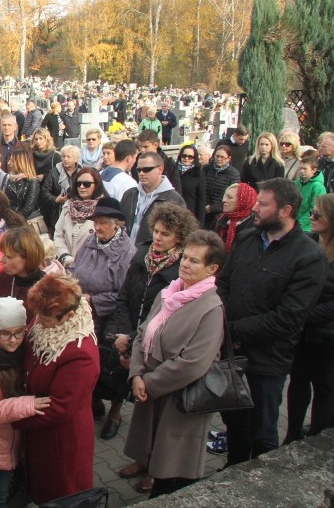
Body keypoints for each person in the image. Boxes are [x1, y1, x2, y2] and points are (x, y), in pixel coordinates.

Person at [217, 178, 327, 466]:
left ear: (285, 210)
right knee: (234, 423)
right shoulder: (248, 236)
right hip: (232, 352)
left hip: (268, 361)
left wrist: (234, 330)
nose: (254, 208)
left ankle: (262, 480)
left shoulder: (308, 256)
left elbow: (289, 318)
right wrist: (224, 326)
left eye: (263, 204)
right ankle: (233, 471)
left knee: (263, 429)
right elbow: (224, 283)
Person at [124, 230, 227, 498]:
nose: (185, 264)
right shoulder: (168, 294)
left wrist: (148, 382)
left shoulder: (211, 308)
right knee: (151, 448)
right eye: (185, 257)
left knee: (172, 470)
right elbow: (143, 333)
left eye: (194, 261)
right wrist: (136, 373)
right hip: (151, 389)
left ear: (211, 269)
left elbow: (192, 363)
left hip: (178, 399)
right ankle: (148, 471)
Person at [106, 203, 198, 492]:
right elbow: (124, 297)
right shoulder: (142, 256)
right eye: (156, 231)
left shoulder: (180, 271)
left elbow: (163, 316)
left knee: (161, 413)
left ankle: (157, 471)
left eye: (166, 234)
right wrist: (121, 333)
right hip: (132, 337)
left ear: (180, 238)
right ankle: (142, 459)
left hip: (158, 346)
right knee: (143, 412)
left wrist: (132, 338)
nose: (158, 238)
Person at [13, 274, 99, 503]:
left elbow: (59, 408)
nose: (37, 321)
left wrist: (11, 417)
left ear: (69, 315)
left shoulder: (80, 352)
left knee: (60, 494)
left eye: (44, 316)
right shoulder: (45, 322)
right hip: (37, 431)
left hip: (61, 441)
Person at [71, 197, 137, 439]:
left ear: (117, 225)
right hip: (87, 313)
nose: (97, 228)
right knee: (89, 361)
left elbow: (125, 292)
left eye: (102, 223)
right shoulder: (90, 242)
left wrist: (94, 300)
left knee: (111, 364)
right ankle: (95, 402)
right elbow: (76, 268)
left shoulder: (127, 252)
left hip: (112, 314)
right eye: (96, 222)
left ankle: (116, 412)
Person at [0, 297, 49, 508]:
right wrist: (25, 405)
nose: (13, 339)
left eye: (19, 332)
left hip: (9, 451)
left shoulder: (25, 356)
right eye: (4, 333)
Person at [285, 193, 334, 443]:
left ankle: (317, 436)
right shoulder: (309, 242)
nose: (312, 217)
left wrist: (305, 315)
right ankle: (292, 433)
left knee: (323, 385)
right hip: (302, 332)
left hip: (329, 336)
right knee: (297, 381)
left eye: (318, 213)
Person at [122, 152, 186, 246]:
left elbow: (180, 235)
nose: (142, 173)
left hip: (153, 256)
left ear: (160, 169)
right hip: (125, 254)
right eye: (138, 170)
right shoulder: (130, 194)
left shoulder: (174, 199)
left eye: (147, 169)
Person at [53, 167, 105, 269]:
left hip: (90, 268)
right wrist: (65, 257)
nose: (81, 187)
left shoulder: (103, 208)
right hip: (66, 267)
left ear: (96, 185)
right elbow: (58, 234)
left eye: (87, 184)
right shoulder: (68, 204)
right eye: (78, 183)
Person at [41, 144, 81, 231]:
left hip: (78, 213)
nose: (65, 159)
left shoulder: (82, 173)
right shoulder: (54, 172)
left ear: (76, 159)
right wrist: (55, 199)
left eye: (69, 157)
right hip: (57, 214)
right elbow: (44, 192)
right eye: (63, 156)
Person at [204, 144, 242, 229]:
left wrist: (212, 208)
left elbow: (233, 196)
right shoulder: (206, 169)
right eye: (217, 156)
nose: (219, 159)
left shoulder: (234, 174)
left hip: (220, 214)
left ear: (228, 158)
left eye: (222, 157)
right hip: (203, 211)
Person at [213, 182, 258, 254]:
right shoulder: (219, 219)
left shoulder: (255, 227)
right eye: (224, 196)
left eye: (229, 197)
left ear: (243, 201)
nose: (223, 200)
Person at [294, 153, 326, 233]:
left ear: (313, 170)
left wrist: (300, 223)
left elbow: (314, 209)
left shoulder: (317, 186)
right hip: (294, 223)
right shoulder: (295, 183)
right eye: (300, 168)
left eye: (305, 169)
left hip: (307, 227)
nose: (302, 171)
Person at [5, 147, 41, 220]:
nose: (8, 163)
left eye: (12, 161)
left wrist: (16, 220)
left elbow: (29, 207)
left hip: (23, 222)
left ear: (19, 162)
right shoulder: (10, 178)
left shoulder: (32, 181)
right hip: (10, 218)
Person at [176, 144, 206, 222]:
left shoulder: (199, 174)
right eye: (184, 156)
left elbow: (201, 201)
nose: (186, 158)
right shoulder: (173, 171)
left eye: (190, 157)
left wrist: (200, 223)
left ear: (194, 158)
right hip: (173, 213)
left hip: (189, 216)